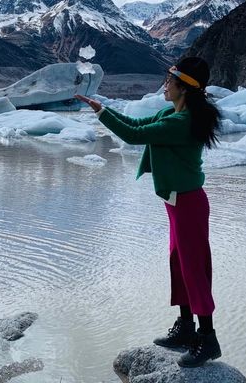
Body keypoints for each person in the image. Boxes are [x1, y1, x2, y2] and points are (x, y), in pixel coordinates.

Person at [75, 56, 222, 368]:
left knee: (194, 269)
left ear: (184, 87)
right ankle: (186, 328)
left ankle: (207, 339)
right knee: (179, 264)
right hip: (176, 202)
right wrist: (104, 109)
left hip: (189, 204)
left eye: (169, 81)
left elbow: (134, 136)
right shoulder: (173, 112)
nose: (164, 86)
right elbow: (139, 124)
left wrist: (100, 111)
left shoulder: (181, 122)